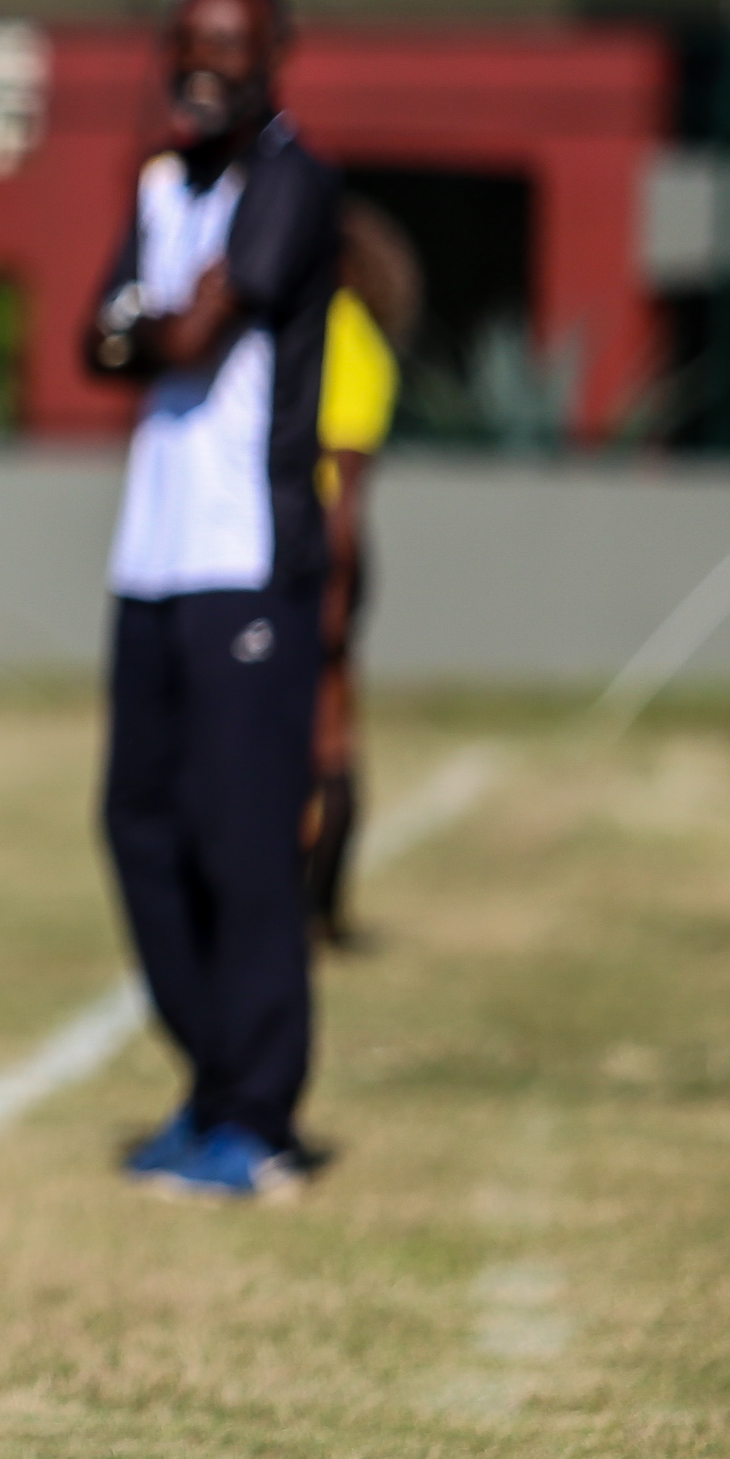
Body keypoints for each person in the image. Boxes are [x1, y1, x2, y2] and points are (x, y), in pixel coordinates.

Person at [86, 0, 342, 1201]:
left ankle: (265, 1121)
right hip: (153, 556)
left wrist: (150, 323)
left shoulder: (292, 181)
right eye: (188, 42)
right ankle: (211, 1077)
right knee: (139, 823)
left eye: (231, 45)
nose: (206, 64)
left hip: (251, 556)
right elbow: (102, 340)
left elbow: (183, 339)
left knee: (245, 846)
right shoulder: (155, 184)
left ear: (275, 53)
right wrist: (147, 319)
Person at [303, 201, 422, 945]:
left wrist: (333, 587)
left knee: (320, 731)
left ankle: (315, 906)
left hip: (316, 554)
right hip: (313, 552)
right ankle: (317, 907)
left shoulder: (344, 340)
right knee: (324, 727)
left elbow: (346, 486)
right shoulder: (327, 337)